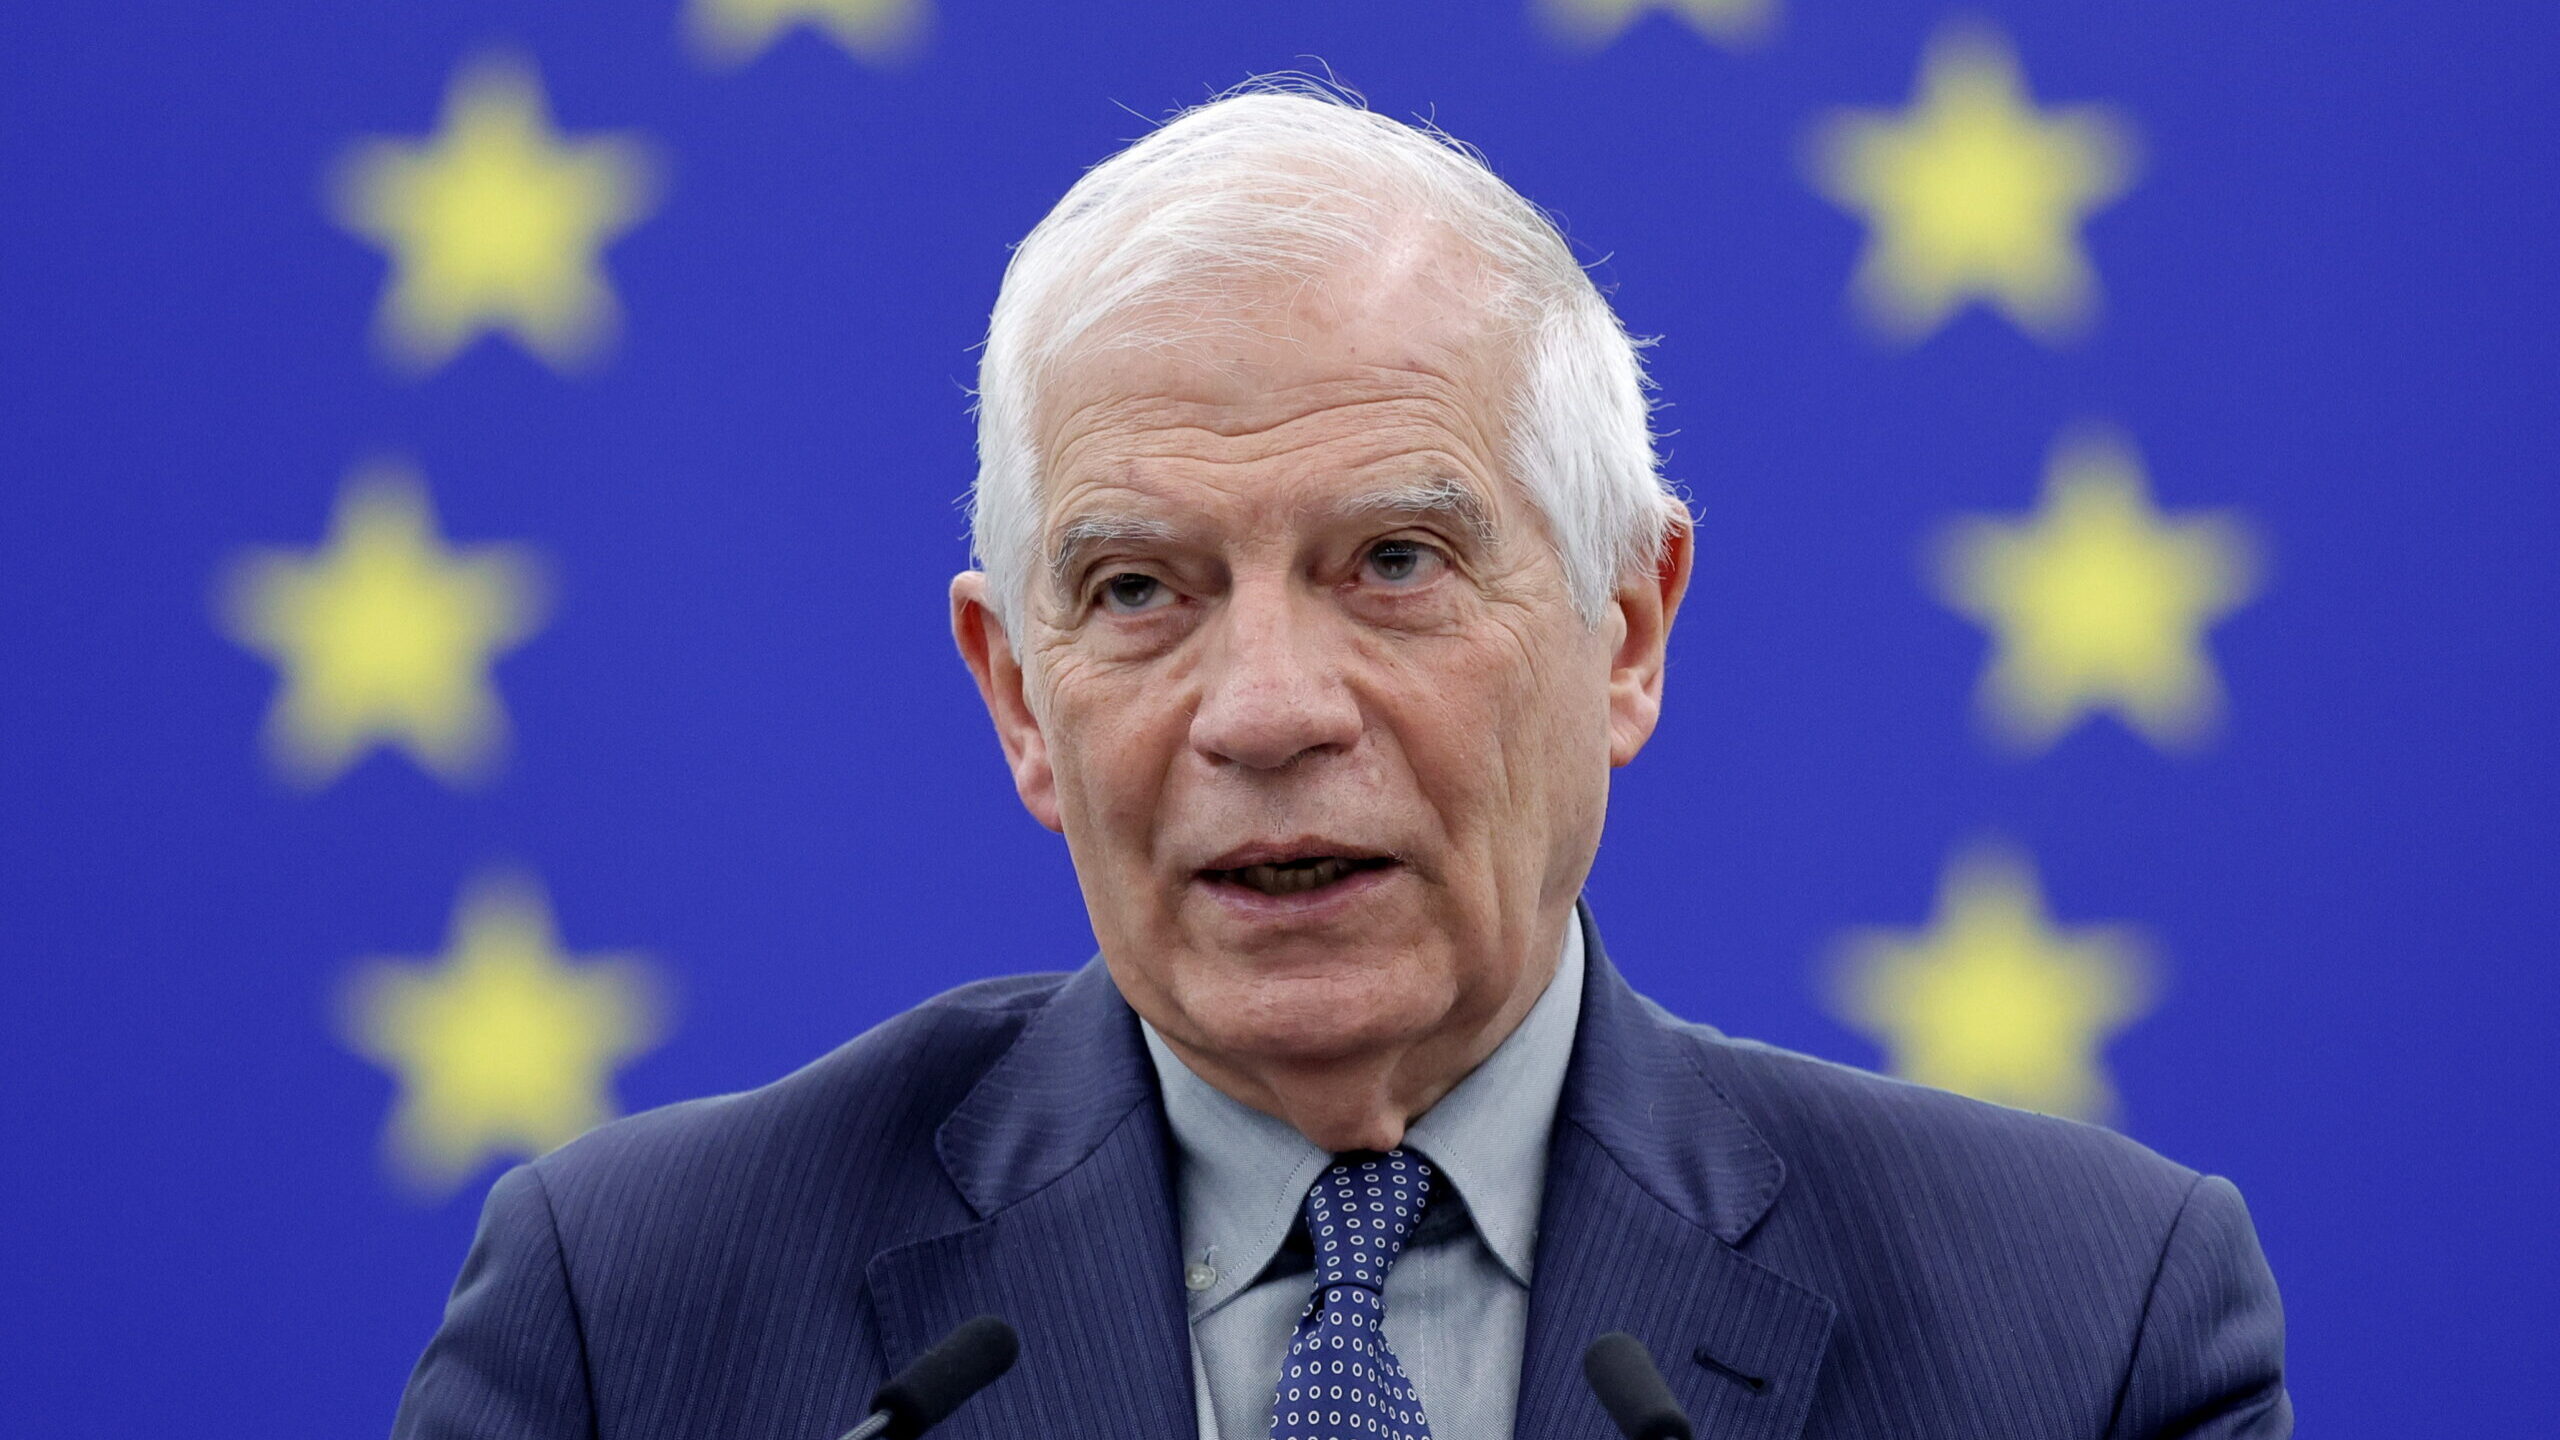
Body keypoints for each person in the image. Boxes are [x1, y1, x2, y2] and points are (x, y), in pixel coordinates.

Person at [391, 83, 2289, 1440]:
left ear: (1628, 632)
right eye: (1141, 589)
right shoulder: (630, 1317)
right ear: (1019, 697)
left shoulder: (2085, 1330)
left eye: (1392, 563)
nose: (1269, 709)